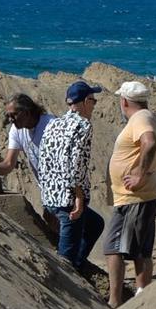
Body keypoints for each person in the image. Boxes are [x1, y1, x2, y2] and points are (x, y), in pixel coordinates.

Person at [103, 79, 156, 307]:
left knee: (112, 247)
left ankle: (115, 301)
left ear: (124, 101)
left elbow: (150, 142)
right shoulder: (152, 117)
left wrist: (140, 173)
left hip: (134, 197)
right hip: (147, 193)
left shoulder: (140, 119)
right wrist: (152, 168)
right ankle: (143, 294)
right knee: (141, 248)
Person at [36, 79, 105, 275]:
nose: (94, 105)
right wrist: (79, 198)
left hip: (51, 196)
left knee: (95, 224)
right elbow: (76, 163)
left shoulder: (53, 124)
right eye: (93, 100)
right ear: (84, 102)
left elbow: (45, 159)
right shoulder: (83, 126)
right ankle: (72, 277)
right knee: (65, 264)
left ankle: (79, 266)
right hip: (69, 200)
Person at [0, 93, 50, 181]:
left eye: (14, 115)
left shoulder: (50, 125)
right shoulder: (16, 130)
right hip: (46, 188)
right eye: (8, 116)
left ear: (27, 112)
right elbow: (9, 163)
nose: (11, 119)